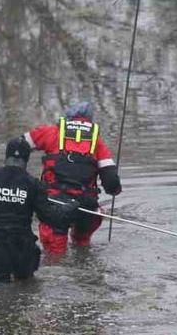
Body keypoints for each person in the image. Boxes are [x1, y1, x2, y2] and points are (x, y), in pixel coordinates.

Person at [0, 137, 75, 281]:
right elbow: (52, 218)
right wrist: (69, 208)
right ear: (27, 159)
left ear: (6, 156)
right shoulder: (34, 184)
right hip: (23, 254)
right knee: (26, 292)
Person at [22, 102, 122, 254]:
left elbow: (17, 145)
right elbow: (111, 183)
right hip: (87, 209)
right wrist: (115, 190)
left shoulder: (51, 133)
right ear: (90, 121)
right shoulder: (97, 143)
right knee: (82, 244)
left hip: (55, 206)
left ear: (67, 118)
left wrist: (17, 176)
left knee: (54, 256)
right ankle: (81, 246)